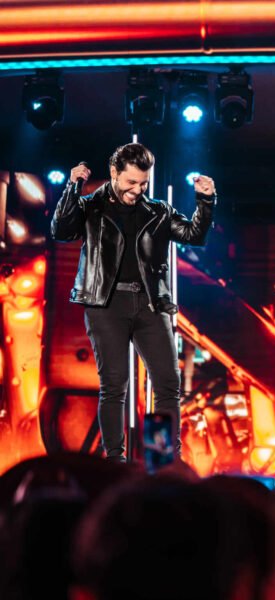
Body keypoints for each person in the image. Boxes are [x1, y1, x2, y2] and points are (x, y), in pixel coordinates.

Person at [51, 143, 216, 461]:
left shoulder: (159, 212)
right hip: (106, 304)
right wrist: (72, 188)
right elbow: (61, 229)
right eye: (131, 182)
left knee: (167, 384)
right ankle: (115, 461)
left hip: (150, 304)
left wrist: (206, 201)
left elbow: (194, 234)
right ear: (114, 173)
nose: (137, 190)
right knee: (114, 386)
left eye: (143, 183)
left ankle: (162, 458)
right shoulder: (91, 206)